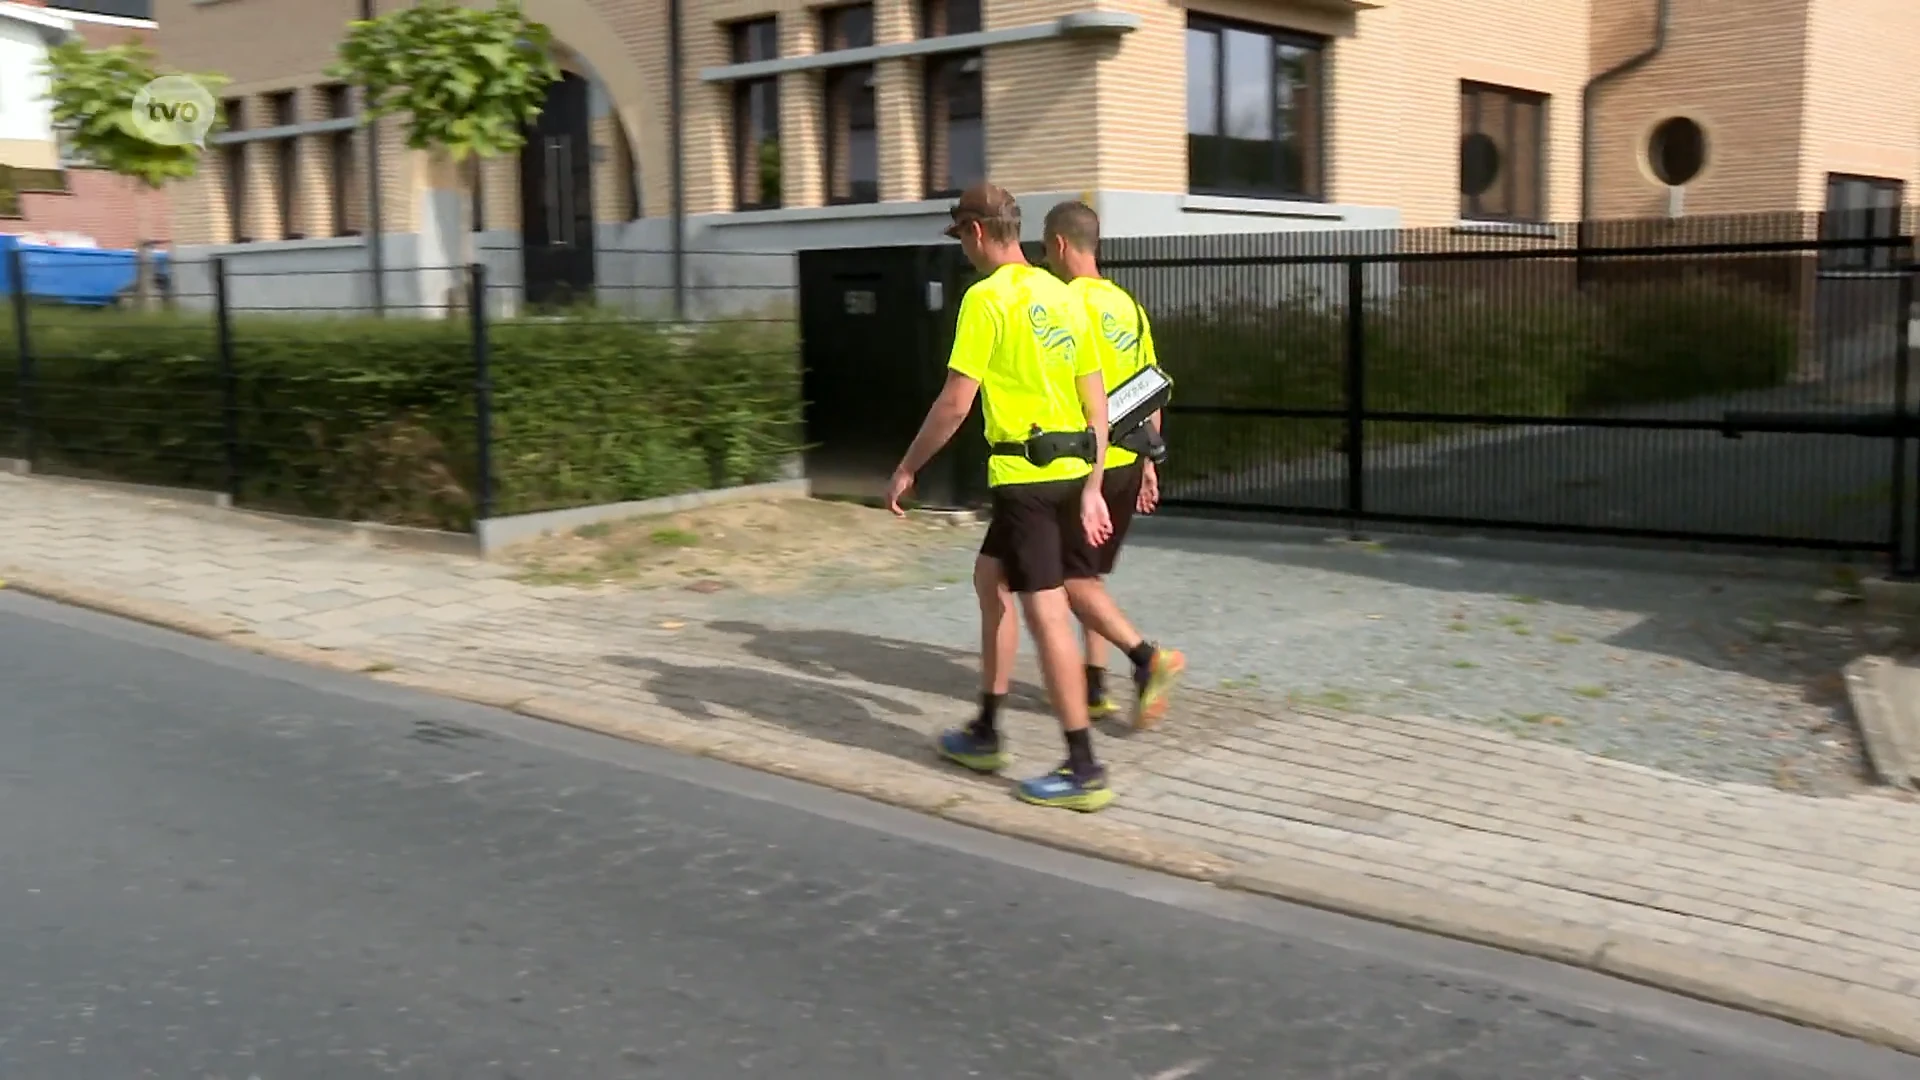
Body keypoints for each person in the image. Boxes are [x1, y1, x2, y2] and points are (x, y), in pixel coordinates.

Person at [883, 182, 1119, 812]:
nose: (963, 249)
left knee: (1046, 613)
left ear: (978, 233)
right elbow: (1097, 398)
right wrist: (1094, 485)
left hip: (1027, 481)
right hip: (1070, 471)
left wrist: (909, 467)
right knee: (992, 579)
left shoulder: (985, 300)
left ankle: (1083, 764)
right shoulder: (1063, 294)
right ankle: (986, 726)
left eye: (961, 236)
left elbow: (956, 401)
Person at [1038, 199, 1185, 728]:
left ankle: (1148, 658)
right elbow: (1150, 390)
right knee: (1091, 575)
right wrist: (1150, 463)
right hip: (1128, 458)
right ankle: (1095, 688)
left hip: (1085, 463)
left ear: (1058, 245)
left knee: (1062, 577)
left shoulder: (1062, 303)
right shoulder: (1128, 306)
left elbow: (1059, 383)